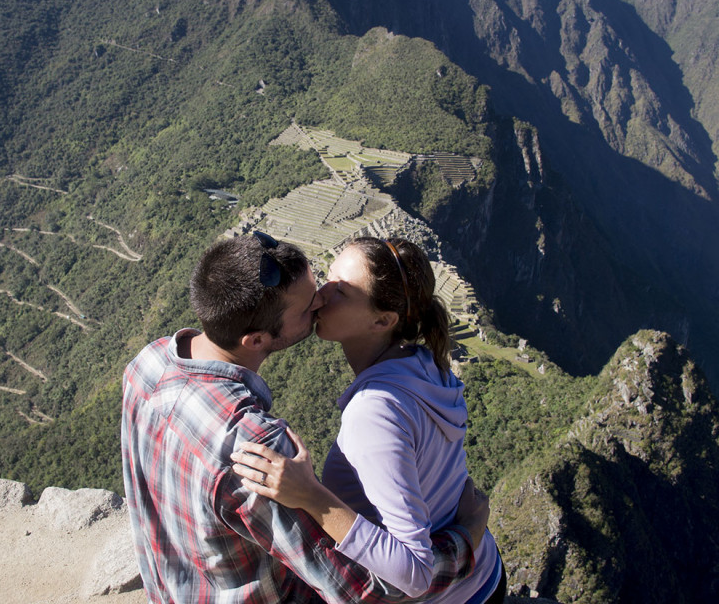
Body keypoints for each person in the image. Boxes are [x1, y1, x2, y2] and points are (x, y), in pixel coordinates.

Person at [121, 231, 491, 604]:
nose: (320, 301)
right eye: (306, 308)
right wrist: (468, 537)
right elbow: (363, 593)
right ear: (256, 340)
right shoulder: (256, 452)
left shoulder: (145, 366)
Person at [232, 236, 506, 603]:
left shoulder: (375, 411)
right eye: (329, 276)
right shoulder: (423, 363)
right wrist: (471, 531)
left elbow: (416, 572)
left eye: (342, 292)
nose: (321, 294)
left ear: (383, 320)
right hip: (486, 576)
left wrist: (312, 496)